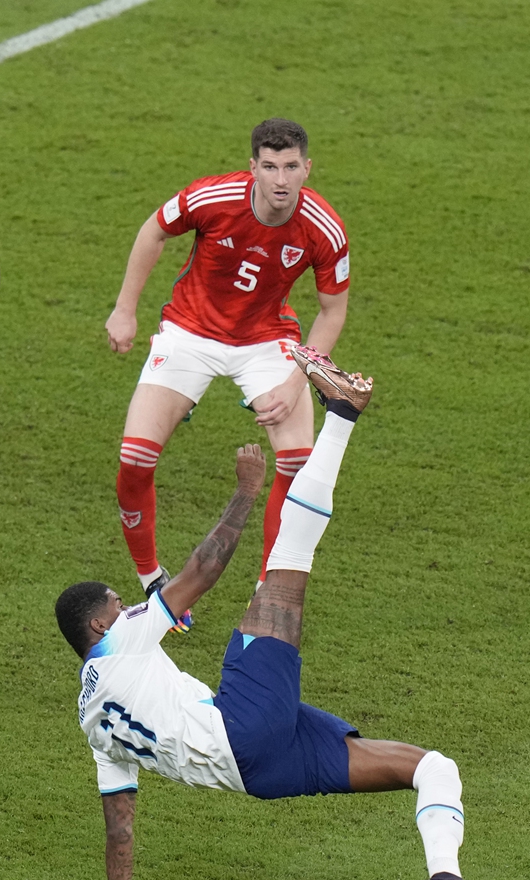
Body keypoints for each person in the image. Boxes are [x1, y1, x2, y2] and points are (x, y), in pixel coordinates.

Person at [56, 347, 494, 880]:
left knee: (431, 768)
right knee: (288, 558)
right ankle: (342, 412)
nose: (126, 603)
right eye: (116, 600)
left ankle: (446, 877)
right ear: (101, 620)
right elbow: (202, 571)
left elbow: (119, 828)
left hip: (256, 774)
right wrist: (245, 492)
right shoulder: (122, 638)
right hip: (242, 724)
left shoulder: (93, 727)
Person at [106, 117, 351, 627]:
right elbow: (154, 229)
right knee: (134, 460)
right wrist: (125, 309)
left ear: (307, 168)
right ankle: (153, 580)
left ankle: (267, 589)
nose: (280, 179)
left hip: (267, 341)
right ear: (253, 168)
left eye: (290, 167)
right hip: (189, 332)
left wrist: (296, 378)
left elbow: (332, 311)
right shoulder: (213, 198)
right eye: (269, 166)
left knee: (298, 463)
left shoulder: (324, 228)